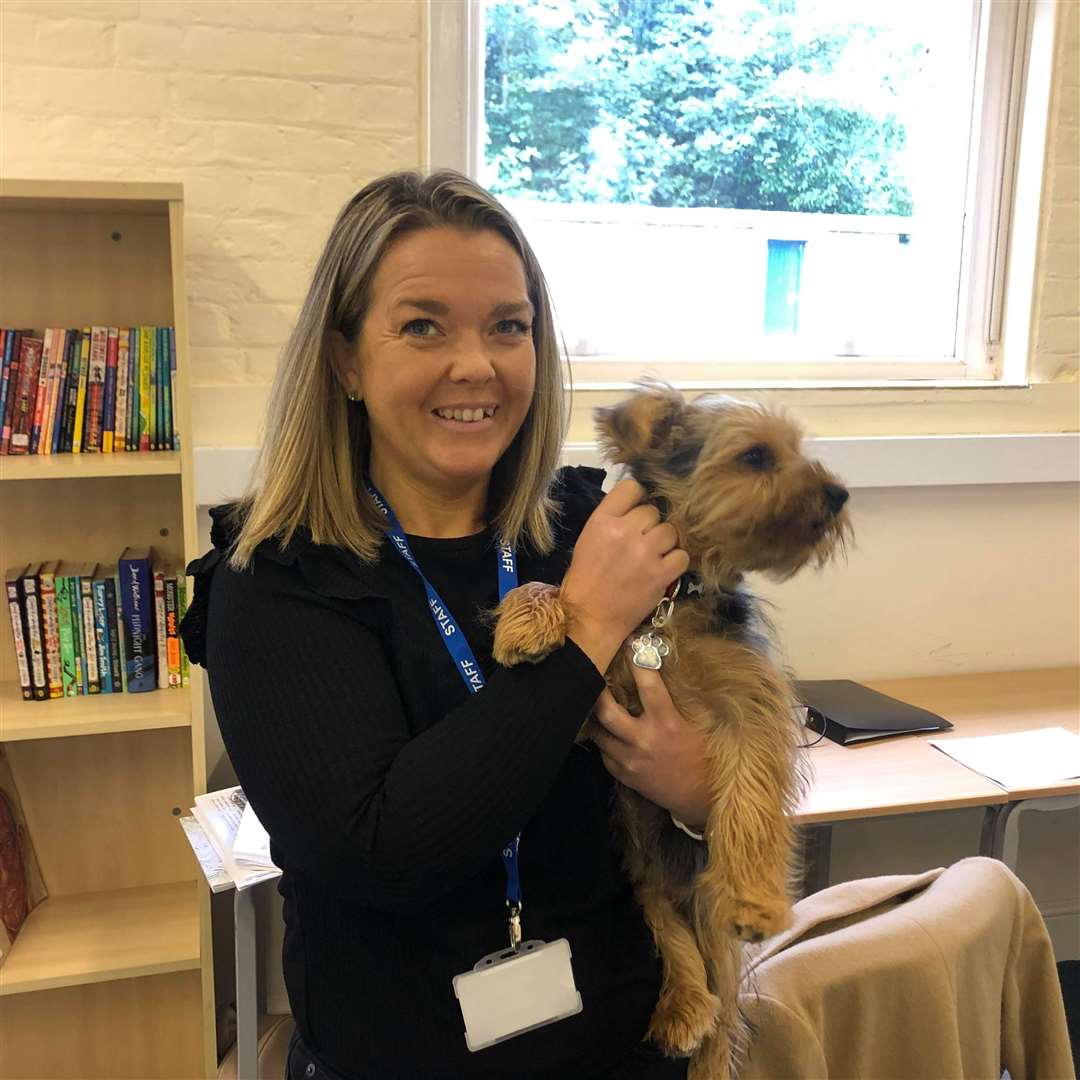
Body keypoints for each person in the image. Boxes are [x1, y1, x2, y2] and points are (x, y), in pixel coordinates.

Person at [179, 170, 713, 1080]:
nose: (478, 365)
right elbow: (381, 851)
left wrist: (701, 789)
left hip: (630, 1047)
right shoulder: (277, 579)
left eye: (510, 325)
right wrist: (586, 625)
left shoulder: (602, 527)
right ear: (346, 358)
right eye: (423, 325)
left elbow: (712, 705)